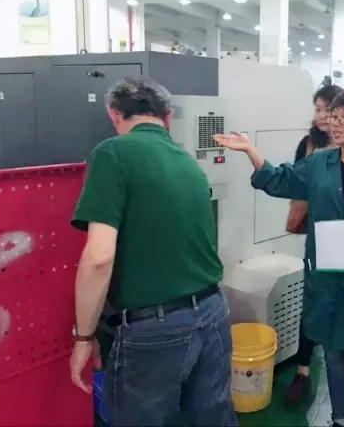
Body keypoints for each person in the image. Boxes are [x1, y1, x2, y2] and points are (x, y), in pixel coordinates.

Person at [214, 88, 344, 427]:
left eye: (343, 117)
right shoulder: (320, 163)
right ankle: (340, 418)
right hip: (326, 278)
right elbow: (279, 180)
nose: (334, 123)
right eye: (332, 116)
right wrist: (250, 150)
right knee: (334, 356)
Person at [68, 77, 237, 427]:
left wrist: (83, 337)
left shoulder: (112, 153)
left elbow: (99, 257)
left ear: (114, 114)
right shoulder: (187, 160)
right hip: (213, 312)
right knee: (213, 417)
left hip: (156, 328)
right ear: (168, 116)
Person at [286, 85, 344, 406]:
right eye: (317, 109)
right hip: (318, 235)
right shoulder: (309, 144)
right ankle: (303, 370)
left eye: (326, 110)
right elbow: (294, 183)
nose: (320, 116)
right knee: (312, 300)